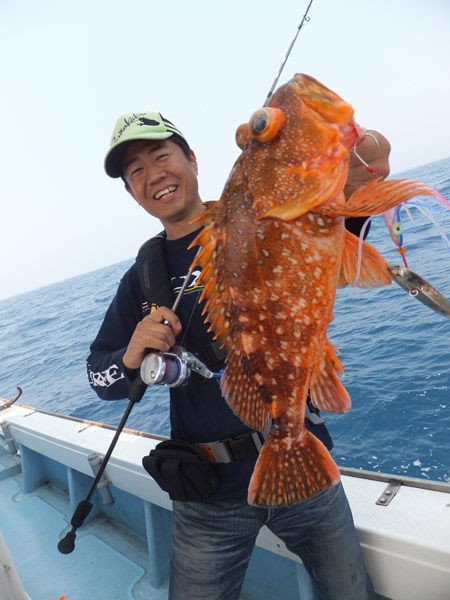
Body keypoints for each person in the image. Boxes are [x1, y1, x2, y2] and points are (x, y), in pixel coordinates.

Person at [87, 111, 390, 600]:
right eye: (136, 171)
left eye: (162, 156)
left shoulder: (264, 216)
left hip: (305, 462)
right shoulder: (140, 279)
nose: (154, 175)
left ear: (192, 159)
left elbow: (349, 207)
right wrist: (128, 356)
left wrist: (360, 156)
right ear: (130, 192)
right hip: (208, 494)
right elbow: (97, 378)